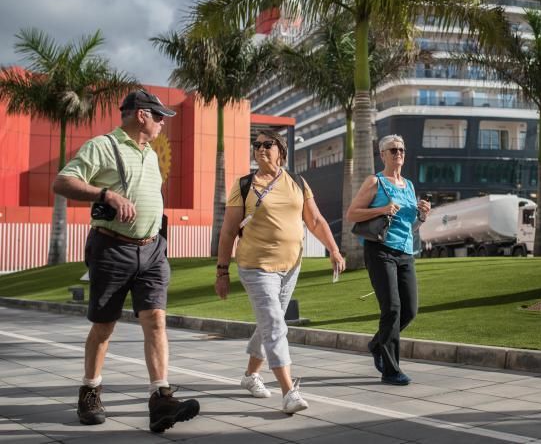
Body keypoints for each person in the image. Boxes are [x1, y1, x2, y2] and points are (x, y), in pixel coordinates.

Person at [53, 89, 200, 433]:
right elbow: (63, 182)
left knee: (156, 321)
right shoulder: (103, 146)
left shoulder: (150, 153)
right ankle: (90, 391)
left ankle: (160, 400)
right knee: (104, 327)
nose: (164, 122)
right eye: (159, 116)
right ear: (142, 115)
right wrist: (105, 194)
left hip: (152, 249)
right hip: (111, 247)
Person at [215, 129, 345, 414]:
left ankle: (250, 376)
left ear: (281, 151)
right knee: (275, 325)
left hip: (291, 267)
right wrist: (222, 271)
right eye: (256, 144)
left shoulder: (297, 181)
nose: (260, 148)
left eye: (267, 144)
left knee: (268, 324)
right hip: (256, 267)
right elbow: (227, 232)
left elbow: (315, 220)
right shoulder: (245, 185)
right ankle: (289, 391)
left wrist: (334, 250)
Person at [346, 134, 431, 385]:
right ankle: (391, 370)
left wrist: (423, 215)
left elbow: (410, 226)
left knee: (410, 310)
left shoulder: (410, 185)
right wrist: (381, 209)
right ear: (382, 155)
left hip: (405, 253)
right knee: (392, 309)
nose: (398, 154)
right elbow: (352, 214)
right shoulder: (375, 181)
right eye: (393, 150)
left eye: (402, 150)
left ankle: (376, 343)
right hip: (380, 250)